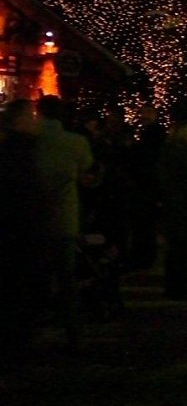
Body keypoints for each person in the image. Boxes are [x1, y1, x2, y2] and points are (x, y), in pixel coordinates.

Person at [32, 95, 94, 349]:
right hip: (66, 218)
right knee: (66, 277)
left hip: (34, 220)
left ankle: (33, 328)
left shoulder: (29, 143)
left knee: (36, 277)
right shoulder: (75, 143)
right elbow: (86, 172)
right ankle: (72, 330)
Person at [0, 99, 41, 359]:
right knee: (19, 283)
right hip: (19, 226)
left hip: (15, 225)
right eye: (30, 116)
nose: (35, 121)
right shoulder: (21, 149)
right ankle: (17, 341)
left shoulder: (12, 146)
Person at [158, 120, 187, 299]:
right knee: (181, 248)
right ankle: (180, 287)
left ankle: (171, 286)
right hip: (181, 205)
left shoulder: (166, 153)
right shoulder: (184, 155)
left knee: (173, 248)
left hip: (171, 204)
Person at [127, 104, 166, 270]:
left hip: (148, 185)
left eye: (148, 112)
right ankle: (145, 257)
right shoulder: (150, 133)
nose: (144, 116)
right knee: (145, 225)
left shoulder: (153, 134)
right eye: (143, 113)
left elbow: (148, 157)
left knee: (146, 225)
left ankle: (144, 258)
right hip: (147, 185)